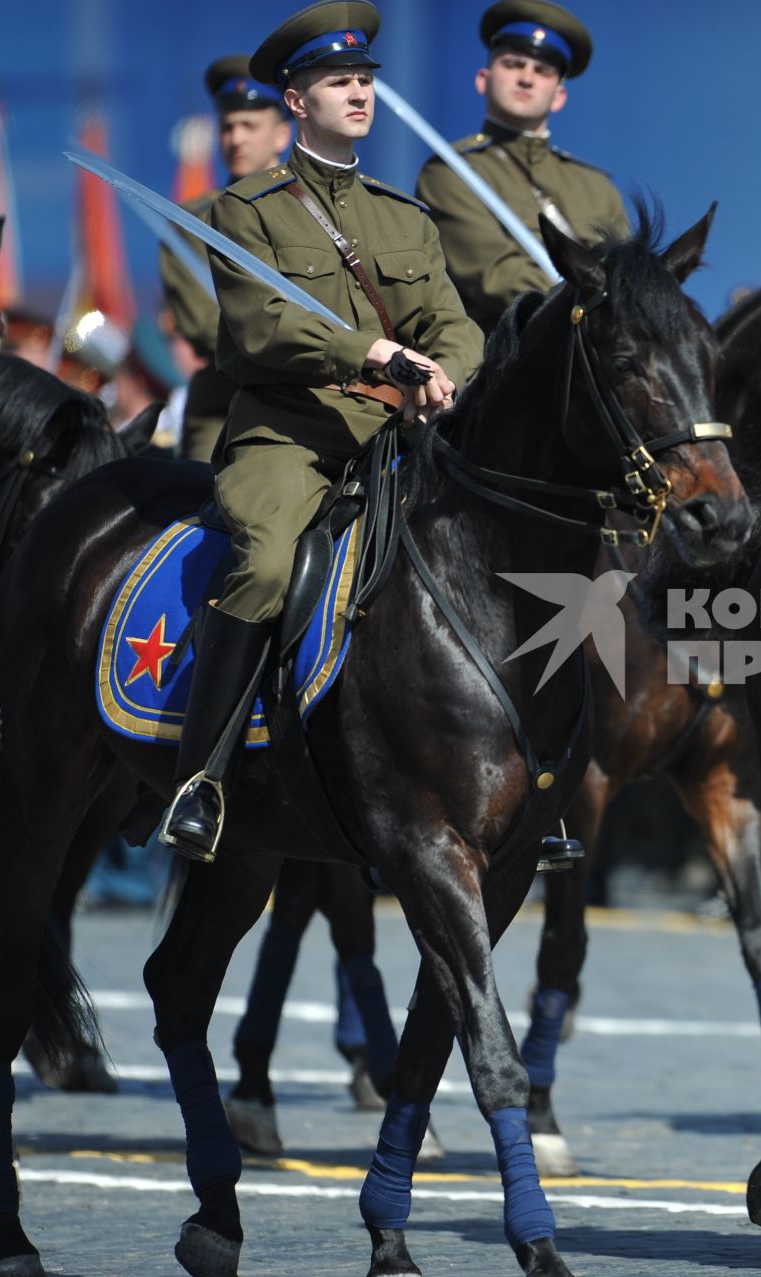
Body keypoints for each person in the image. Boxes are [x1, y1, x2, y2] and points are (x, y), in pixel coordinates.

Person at [160, 0, 484, 861]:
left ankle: (529, 774)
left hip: (396, 441)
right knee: (264, 560)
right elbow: (259, 328)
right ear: (295, 101)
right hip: (290, 435)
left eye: (365, 79)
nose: (358, 92)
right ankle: (204, 777)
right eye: (338, 81)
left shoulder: (403, 215)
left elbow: (454, 322)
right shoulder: (244, 210)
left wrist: (448, 373)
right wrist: (371, 350)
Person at [414, 0, 630, 331]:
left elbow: (629, 276)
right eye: (514, 64)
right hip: (509, 359)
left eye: (542, 71)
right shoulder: (450, 174)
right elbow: (495, 278)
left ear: (559, 96)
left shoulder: (598, 188)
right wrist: (596, 300)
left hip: (596, 358)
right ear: (483, 79)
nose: (527, 78)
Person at [159, 55, 294, 463]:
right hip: (226, 406)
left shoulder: (317, 212)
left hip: (315, 403)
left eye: (249, 126)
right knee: (202, 500)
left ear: (282, 135)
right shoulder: (191, 223)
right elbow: (204, 325)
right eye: (227, 126)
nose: (236, 138)